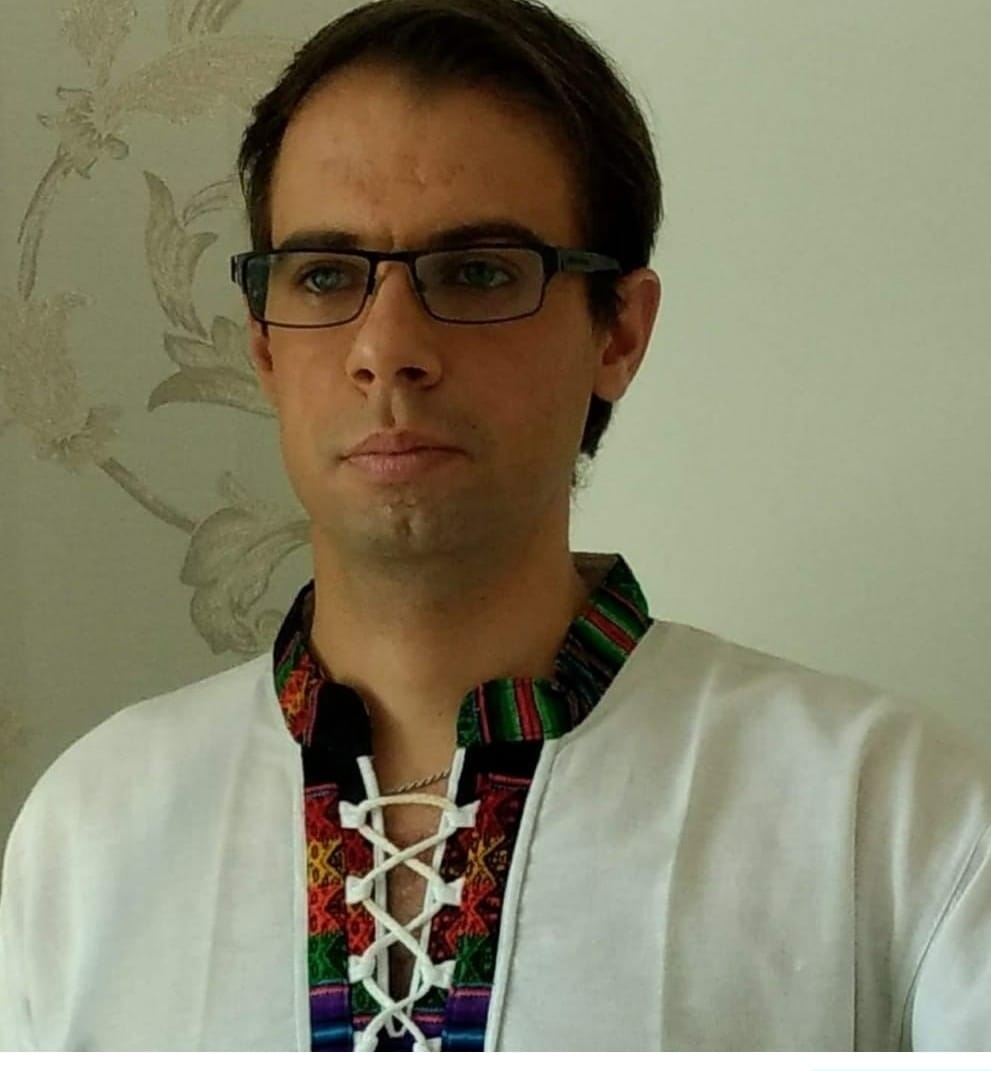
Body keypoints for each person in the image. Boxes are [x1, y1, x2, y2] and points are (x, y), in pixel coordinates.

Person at [2, 0, 990, 1053]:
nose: (386, 348)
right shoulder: (93, 832)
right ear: (263, 346)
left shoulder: (885, 815)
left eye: (476, 272)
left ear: (617, 333)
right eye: (326, 276)